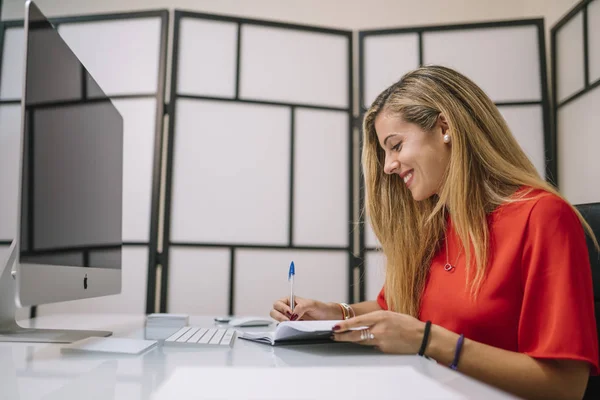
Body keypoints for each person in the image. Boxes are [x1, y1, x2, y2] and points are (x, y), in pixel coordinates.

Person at [270, 65, 599, 400]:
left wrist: (429, 341)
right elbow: (399, 308)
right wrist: (337, 313)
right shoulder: (436, 224)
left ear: (445, 127)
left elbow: (565, 387)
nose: (388, 166)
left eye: (395, 145)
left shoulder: (542, 217)